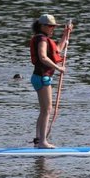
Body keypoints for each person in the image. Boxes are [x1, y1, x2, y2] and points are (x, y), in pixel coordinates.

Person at [29, 14, 72, 148]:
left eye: (54, 26)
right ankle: (42, 142)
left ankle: (38, 140)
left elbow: (58, 50)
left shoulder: (44, 39)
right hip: (42, 77)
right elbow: (42, 57)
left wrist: (66, 34)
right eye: (50, 26)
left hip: (39, 77)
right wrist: (58, 68)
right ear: (42, 26)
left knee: (44, 110)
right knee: (47, 110)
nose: (53, 28)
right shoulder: (41, 39)